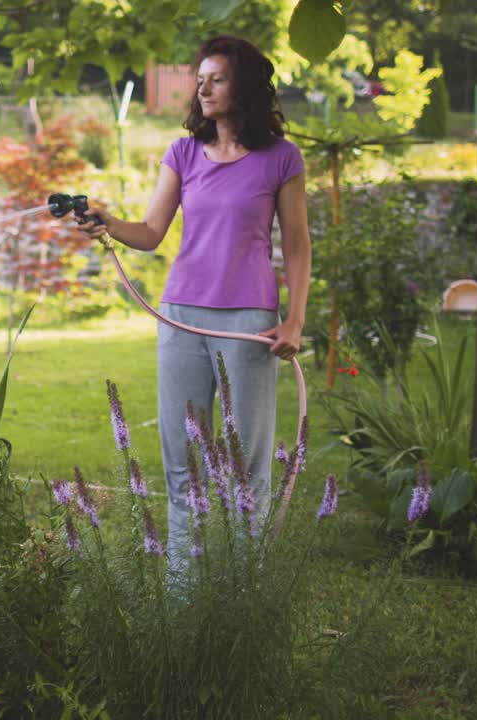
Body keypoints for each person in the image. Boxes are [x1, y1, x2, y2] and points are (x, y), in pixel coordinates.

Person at [75, 36, 311, 565]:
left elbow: (296, 243)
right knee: (183, 466)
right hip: (179, 318)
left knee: (247, 470)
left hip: (250, 323)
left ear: (244, 87)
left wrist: (294, 320)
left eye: (217, 79)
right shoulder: (183, 152)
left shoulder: (281, 159)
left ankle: (241, 604)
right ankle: (186, 604)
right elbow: (152, 231)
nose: (202, 88)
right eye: (199, 79)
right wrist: (108, 222)